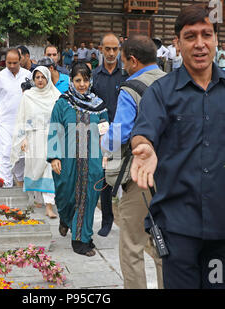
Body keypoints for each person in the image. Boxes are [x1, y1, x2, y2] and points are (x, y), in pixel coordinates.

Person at [129, 4, 225, 289]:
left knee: (214, 286)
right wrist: (144, 147)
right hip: (177, 226)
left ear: (215, 40)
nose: (199, 44)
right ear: (178, 43)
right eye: (190, 36)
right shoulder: (161, 92)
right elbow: (143, 132)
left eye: (206, 35)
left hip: (224, 228)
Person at [100, 35, 165, 289]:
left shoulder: (132, 88)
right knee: (164, 245)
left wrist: (103, 142)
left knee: (132, 245)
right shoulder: (173, 83)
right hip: (172, 175)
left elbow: (120, 135)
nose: (124, 66)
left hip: (140, 176)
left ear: (134, 61)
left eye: (124, 60)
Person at [47, 62, 108, 257]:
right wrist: (54, 157)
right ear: (71, 81)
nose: (82, 84)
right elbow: (55, 130)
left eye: (85, 80)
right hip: (68, 158)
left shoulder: (99, 105)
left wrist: (108, 155)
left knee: (88, 197)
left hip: (92, 159)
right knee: (65, 196)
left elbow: (106, 132)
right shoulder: (63, 103)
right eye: (78, 80)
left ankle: (81, 239)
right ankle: (66, 219)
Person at [11, 66, 60, 219]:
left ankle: (49, 206)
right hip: (33, 138)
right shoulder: (28, 96)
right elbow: (22, 118)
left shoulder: (56, 96)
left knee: (49, 169)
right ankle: (38, 199)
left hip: (51, 137)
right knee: (35, 169)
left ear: (48, 78)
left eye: (43, 77)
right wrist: (23, 138)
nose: (40, 80)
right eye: (37, 77)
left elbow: (61, 119)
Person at [91, 33, 126, 237]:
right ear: (101, 49)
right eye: (108, 49)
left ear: (119, 49)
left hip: (124, 133)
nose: (111, 53)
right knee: (104, 179)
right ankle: (107, 221)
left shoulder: (127, 75)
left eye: (115, 49)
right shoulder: (95, 76)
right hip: (102, 135)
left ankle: (129, 220)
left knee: (125, 178)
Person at [0, 48, 32, 188]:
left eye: (15, 63)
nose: (12, 66)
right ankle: (6, 183)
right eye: (9, 63)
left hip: (23, 122)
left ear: (20, 61)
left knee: (22, 155)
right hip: (4, 122)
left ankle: (20, 179)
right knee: (5, 152)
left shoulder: (28, 75)